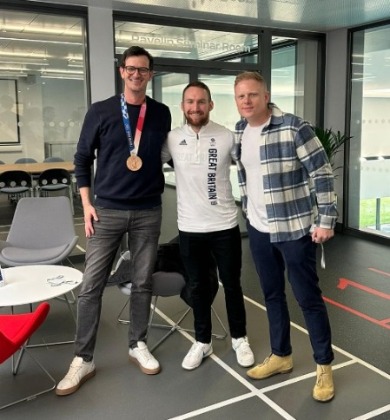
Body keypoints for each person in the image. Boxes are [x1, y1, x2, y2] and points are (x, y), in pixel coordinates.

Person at [56, 46, 171, 396]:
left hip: (149, 210)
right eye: (131, 69)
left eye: (144, 70)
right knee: (91, 286)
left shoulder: (161, 113)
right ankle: (83, 358)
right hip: (106, 211)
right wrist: (86, 205)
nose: (137, 74)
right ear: (122, 72)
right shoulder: (101, 111)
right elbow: (80, 159)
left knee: (142, 282)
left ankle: (137, 343)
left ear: (150, 74)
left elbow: (165, 155)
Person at [233, 71, 338, 402]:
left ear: (266, 96)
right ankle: (281, 355)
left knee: (307, 297)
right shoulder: (239, 131)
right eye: (241, 96)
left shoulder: (294, 127)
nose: (247, 101)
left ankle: (324, 366)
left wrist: (326, 220)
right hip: (259, 229)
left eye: (253, 95)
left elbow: (321, 172)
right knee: (272, 294)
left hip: (294, 229)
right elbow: (246, 176)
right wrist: (248, 211)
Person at [162, 81, 254, 371]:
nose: (195, 107)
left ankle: (240, 337)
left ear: (211, 105)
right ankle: (202, 340)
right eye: (190, 102)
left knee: (232, 285)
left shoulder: (227, 137)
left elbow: (250, 167)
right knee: (199, 286)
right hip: (190, 228)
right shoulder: (172, 139)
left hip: (224, 226)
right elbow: (145, 166)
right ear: (182, 106)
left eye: (201, 102)